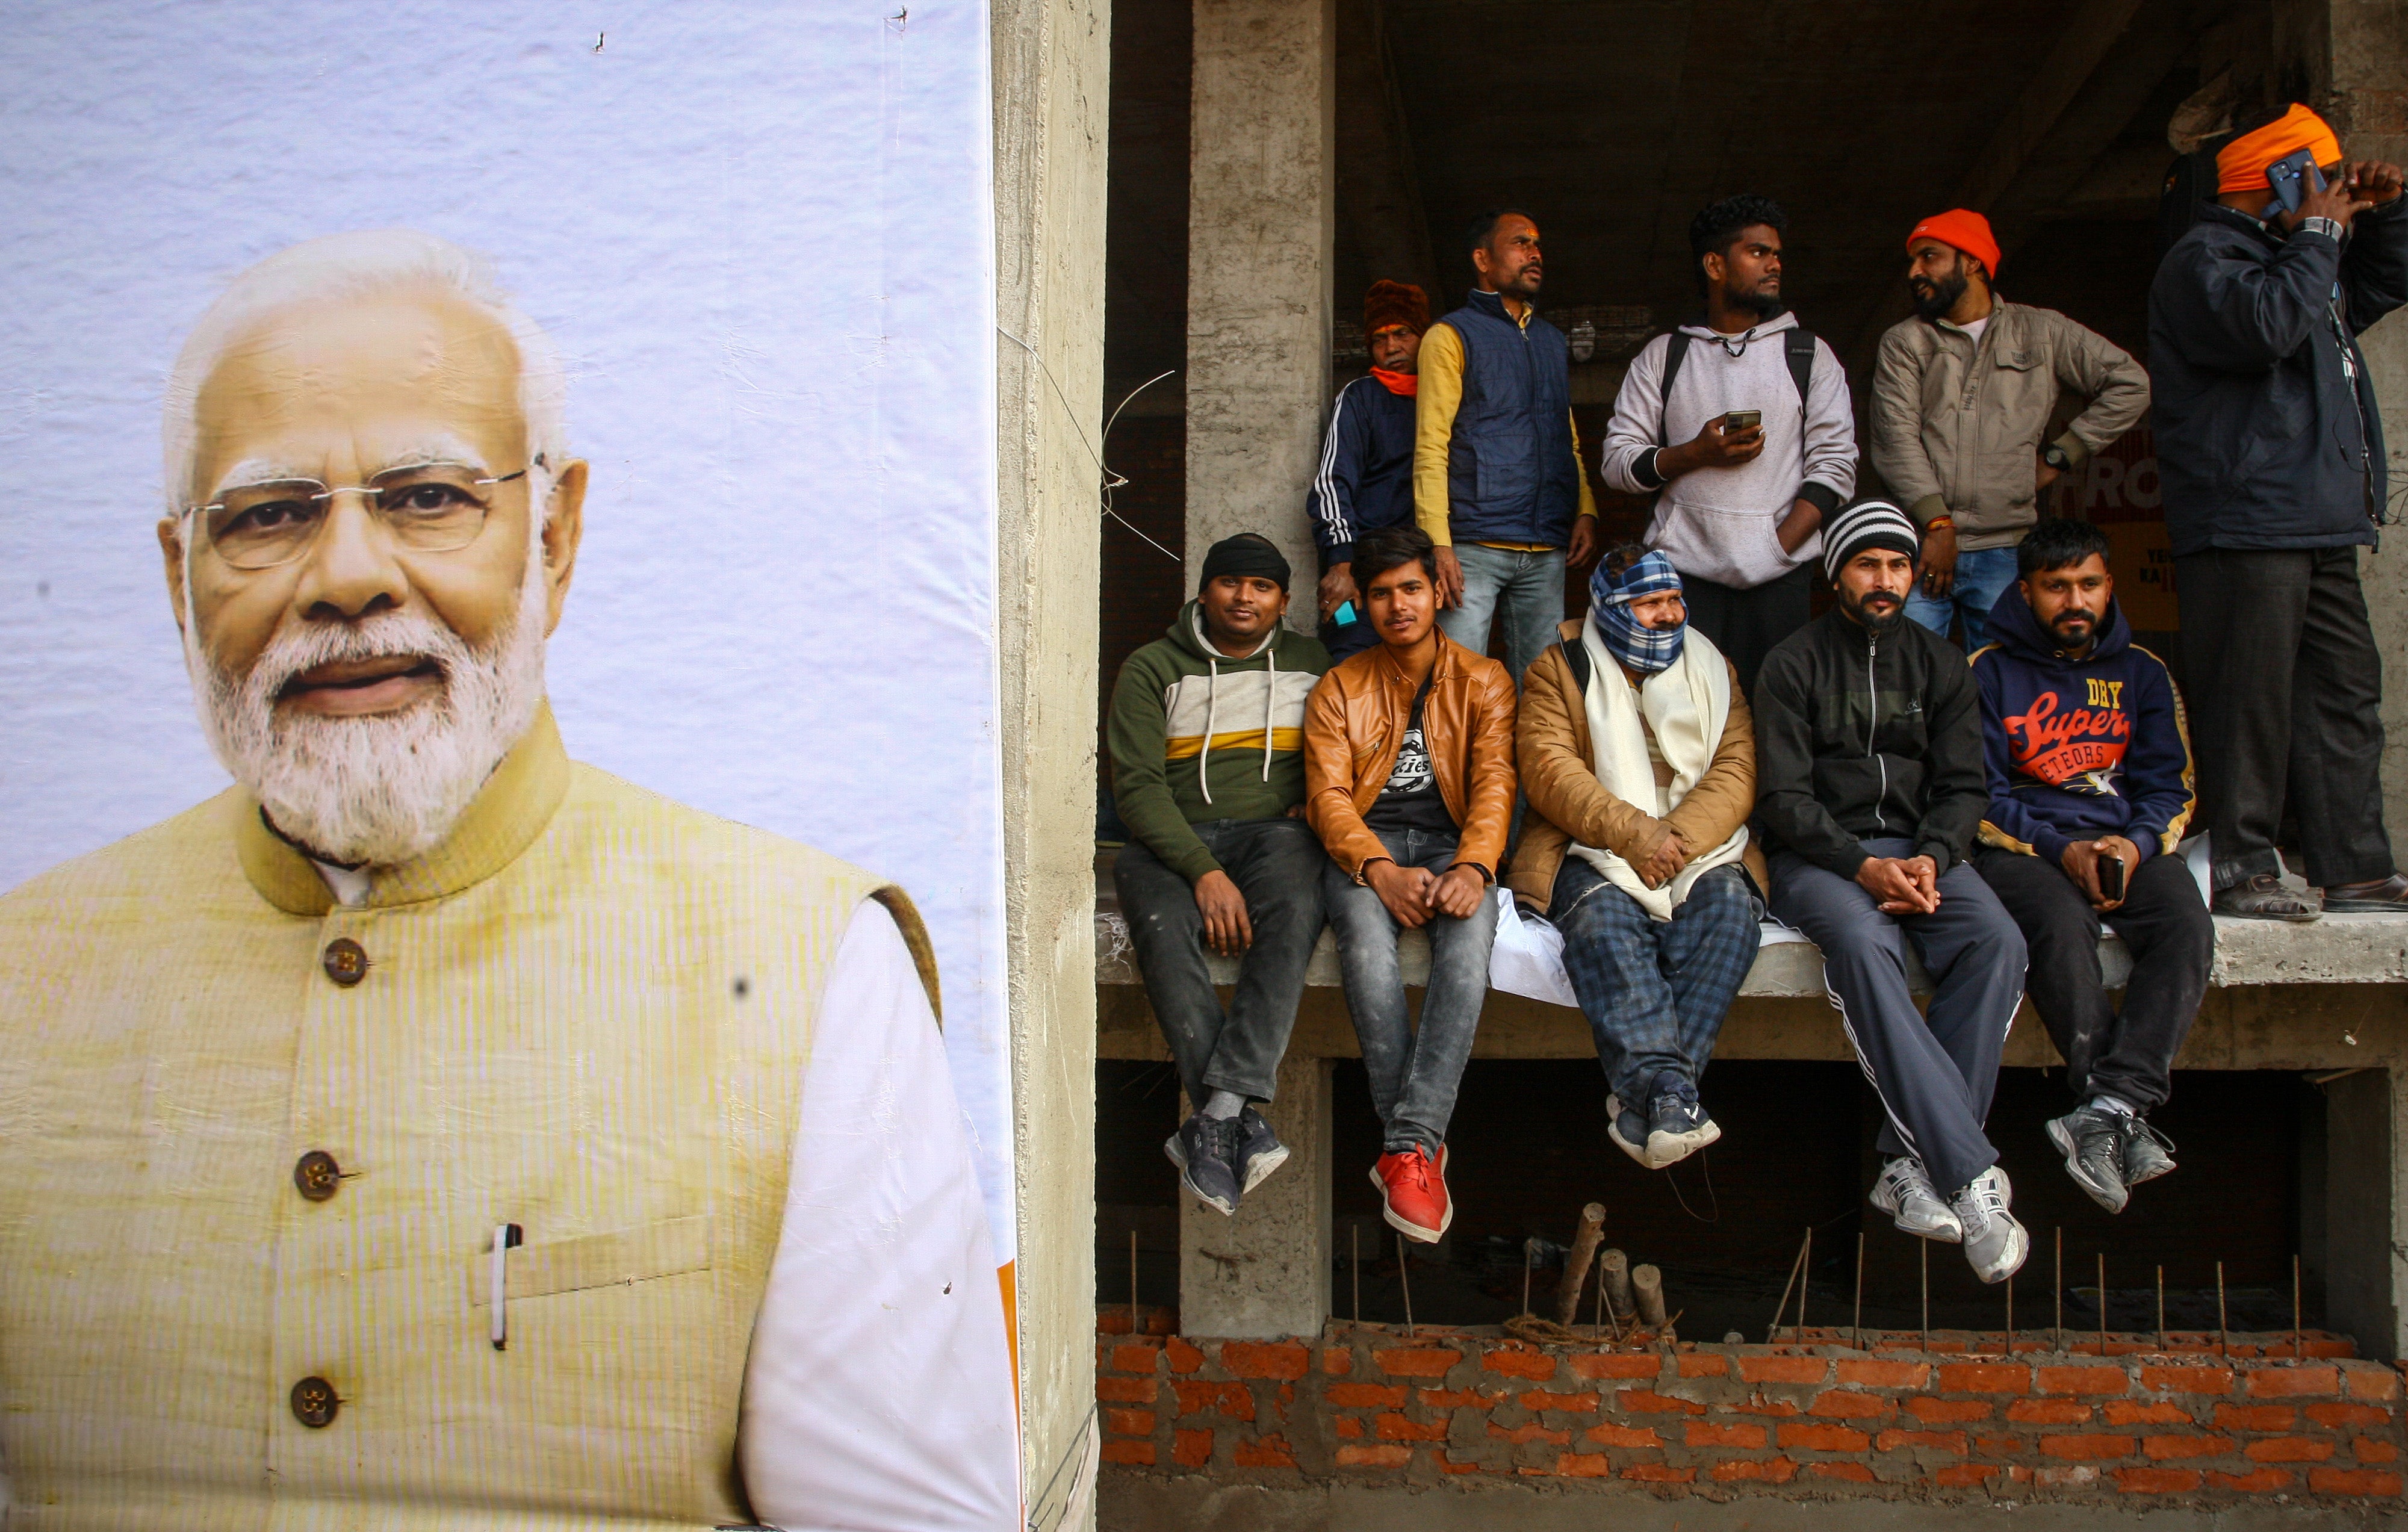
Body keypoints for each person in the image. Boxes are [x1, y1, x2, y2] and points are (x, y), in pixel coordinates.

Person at [0, 231, 1017, 1527]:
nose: (349, 578)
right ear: (176, 576)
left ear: (556, 534)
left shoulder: (810, 971)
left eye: (428, 498)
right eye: (268, 516)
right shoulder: (23, 971)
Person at [1754, 501, 2031, 1283]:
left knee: (1998, 941)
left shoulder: (1941, 663)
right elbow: (1783, 798)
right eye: (1867, 564)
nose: (1885, 579)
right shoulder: (1792, 663)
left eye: (1899, 565)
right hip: (1820, 859)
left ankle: (1908, 1166)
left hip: (1923, 854)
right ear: (1836, 572)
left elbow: (1965, 786)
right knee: (1863, 942)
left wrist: (1934, 858)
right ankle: (1967, 1175)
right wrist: (1862, 866)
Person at [2150, 102, 2408, 919]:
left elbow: (2382, 283)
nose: (2334, 190)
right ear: (2282, 178)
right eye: (2322, 175)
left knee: (2344, 694)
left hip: (2319, 516)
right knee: (2248, 701)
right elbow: (2265, 327)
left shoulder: (2298, 257)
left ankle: (2355, 867)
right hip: (2248, 517)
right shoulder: (2204, 259)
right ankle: (2241, 866)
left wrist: (2386, 213)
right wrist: (2319, 234)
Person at [1970, 519, 2209, 1214]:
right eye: (2057, 586)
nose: (2074, 601)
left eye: (2088, 584)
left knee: (2186, 924)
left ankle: (2109, 1107)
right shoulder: (1986, 670)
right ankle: (2111, 1106)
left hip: (2123, 842)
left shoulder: (2142, 671)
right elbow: (1978, 794)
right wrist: (2059, 849)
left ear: (2108, 586)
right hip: (2024, 847)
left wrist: (2135, 845)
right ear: (2026, 591)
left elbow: (2172, 785)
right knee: (2057, 922)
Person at [1510, 545, 1766, 1170]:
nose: (1670, 614)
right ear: (1609, 608)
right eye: (1650, 603)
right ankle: (1672, 1097)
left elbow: (1736, 769)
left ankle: (1649, 1098)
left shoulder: (1713, 666)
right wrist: (1635, 837)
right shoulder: (1558, 667)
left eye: (1674, 600)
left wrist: (1671, 840)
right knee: (1603, 927)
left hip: (1699, 847)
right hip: (1589, 845)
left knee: (1731, 918)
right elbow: (1550, 771)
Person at [1109, 533, 1332, 1216]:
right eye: (1231, 582)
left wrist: (1318, 799)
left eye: (1262, 587)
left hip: (1276, 836)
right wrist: (1204, 872)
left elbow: (1343, 750)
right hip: (1172, 837)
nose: (1244, 597)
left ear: (1283, 602)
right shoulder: (1152, 668)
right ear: (1204, 591)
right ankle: (1234, 1119)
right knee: (1158, 923)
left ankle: (1216, 1115)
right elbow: (1137, 789)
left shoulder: (1311, 663)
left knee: (1297, 909)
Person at [1304, 525, 1515, 1241]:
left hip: (1455, 845)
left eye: (1411, 589)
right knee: (1366, 951)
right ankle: (1417, 1148)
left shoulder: (1485, 680)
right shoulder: (1340, 686)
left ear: (1436, 592)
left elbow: (1495, 783)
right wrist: (1379, 870)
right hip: (1368, 848)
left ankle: (1405, 1143)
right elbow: (1327, 797)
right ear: (1363, 603)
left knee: (1468, 952)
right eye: (1382, 594)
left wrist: (1475, 866)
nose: (1398, 605)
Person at [1601, 194, 1857, 692]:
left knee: (1777, 716)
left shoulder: (1808, 354)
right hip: (1682, 579)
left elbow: (1835, 467)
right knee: (1686, 717)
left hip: (1780, 577)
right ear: (1715, 265)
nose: (1774, 264)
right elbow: (1617, 463)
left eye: (1777, 254)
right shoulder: (1664, 356)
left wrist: (1775, 550)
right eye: (1758, 252)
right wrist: (1695, 453)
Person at [1872, 209, 2150, 651]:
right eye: (1913, 260)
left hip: (2005, 547)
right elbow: (1895, 438)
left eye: (1929, 256)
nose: (1915, 272)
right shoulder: (1906, 341)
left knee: (2006, 679)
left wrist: (2060, 456)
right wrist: (1938, 524)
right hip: (1922, 546)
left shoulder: (2041, 332)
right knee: (1908, 677)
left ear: (1973, 261)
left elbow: (2131, 384)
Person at [1413, 209, 1601, 686]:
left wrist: (1585, 507)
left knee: (1543, 691)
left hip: (1546, 545)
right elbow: (1431, 444)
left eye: (1537, 244)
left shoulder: (1551, 341)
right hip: (1473, 543)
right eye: (1521, 243)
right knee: (1458, 687)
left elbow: (1566, 435)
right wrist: (1438, 542)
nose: (1535, 254)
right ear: (1483, 259)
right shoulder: (1449, 336)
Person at [1312, 280, 1432, 660]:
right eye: (1379, 339)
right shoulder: (1360, 397)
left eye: (1402, 334)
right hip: (1362, 573)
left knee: (1426, 675)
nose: (1391, 347)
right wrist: (1342, 562)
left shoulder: (1449, 398)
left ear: (1425, 337)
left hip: (1426, 572)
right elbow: (1332, 483)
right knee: (1348, 657)